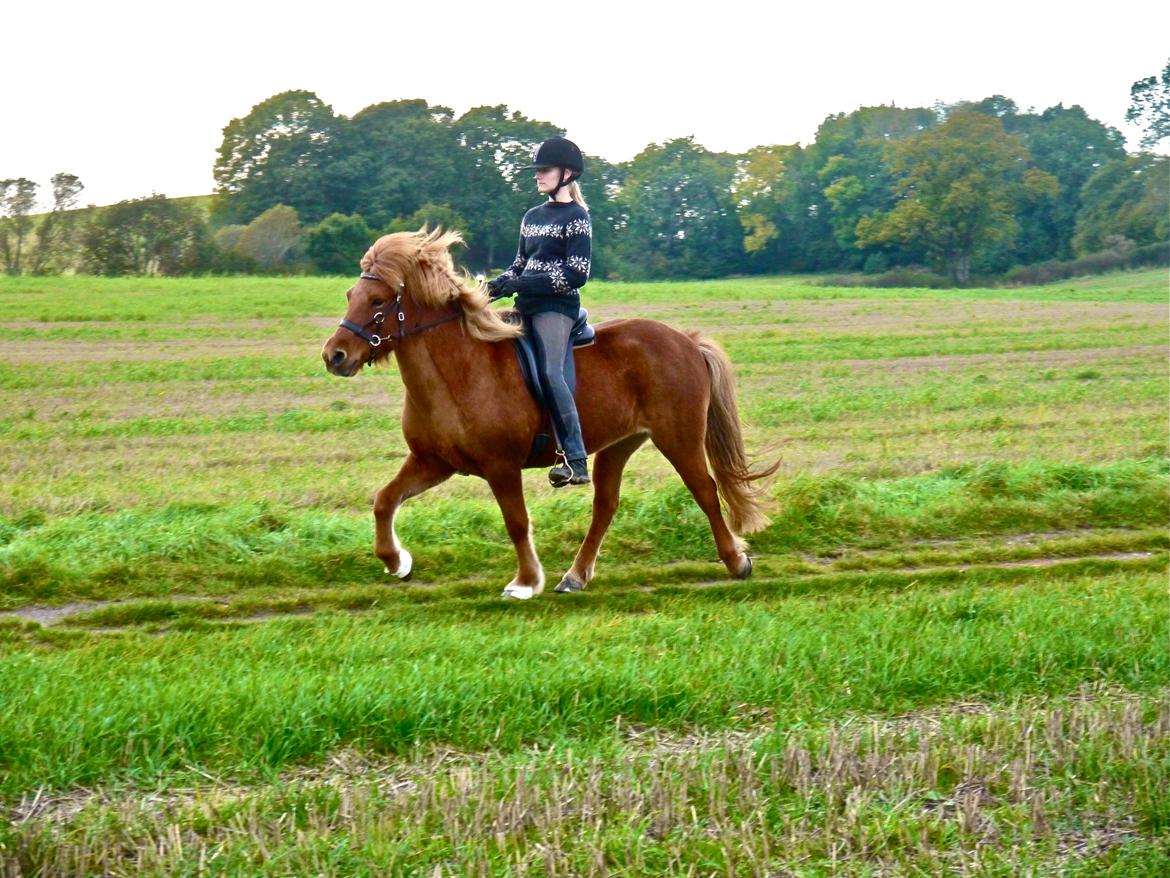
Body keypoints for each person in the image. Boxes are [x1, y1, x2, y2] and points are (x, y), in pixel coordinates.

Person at [487, 136, 592, 488]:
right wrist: (495, 287)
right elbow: (519, 265)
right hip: (525, 305)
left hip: (556, 309)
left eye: (544, 171)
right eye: (537, 171)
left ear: (567, 174)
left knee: (550, 373)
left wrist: (523, 284)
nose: (538, 176)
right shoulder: (531, 217)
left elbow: (577, 274)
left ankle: (575, 458)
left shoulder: (578, 218)